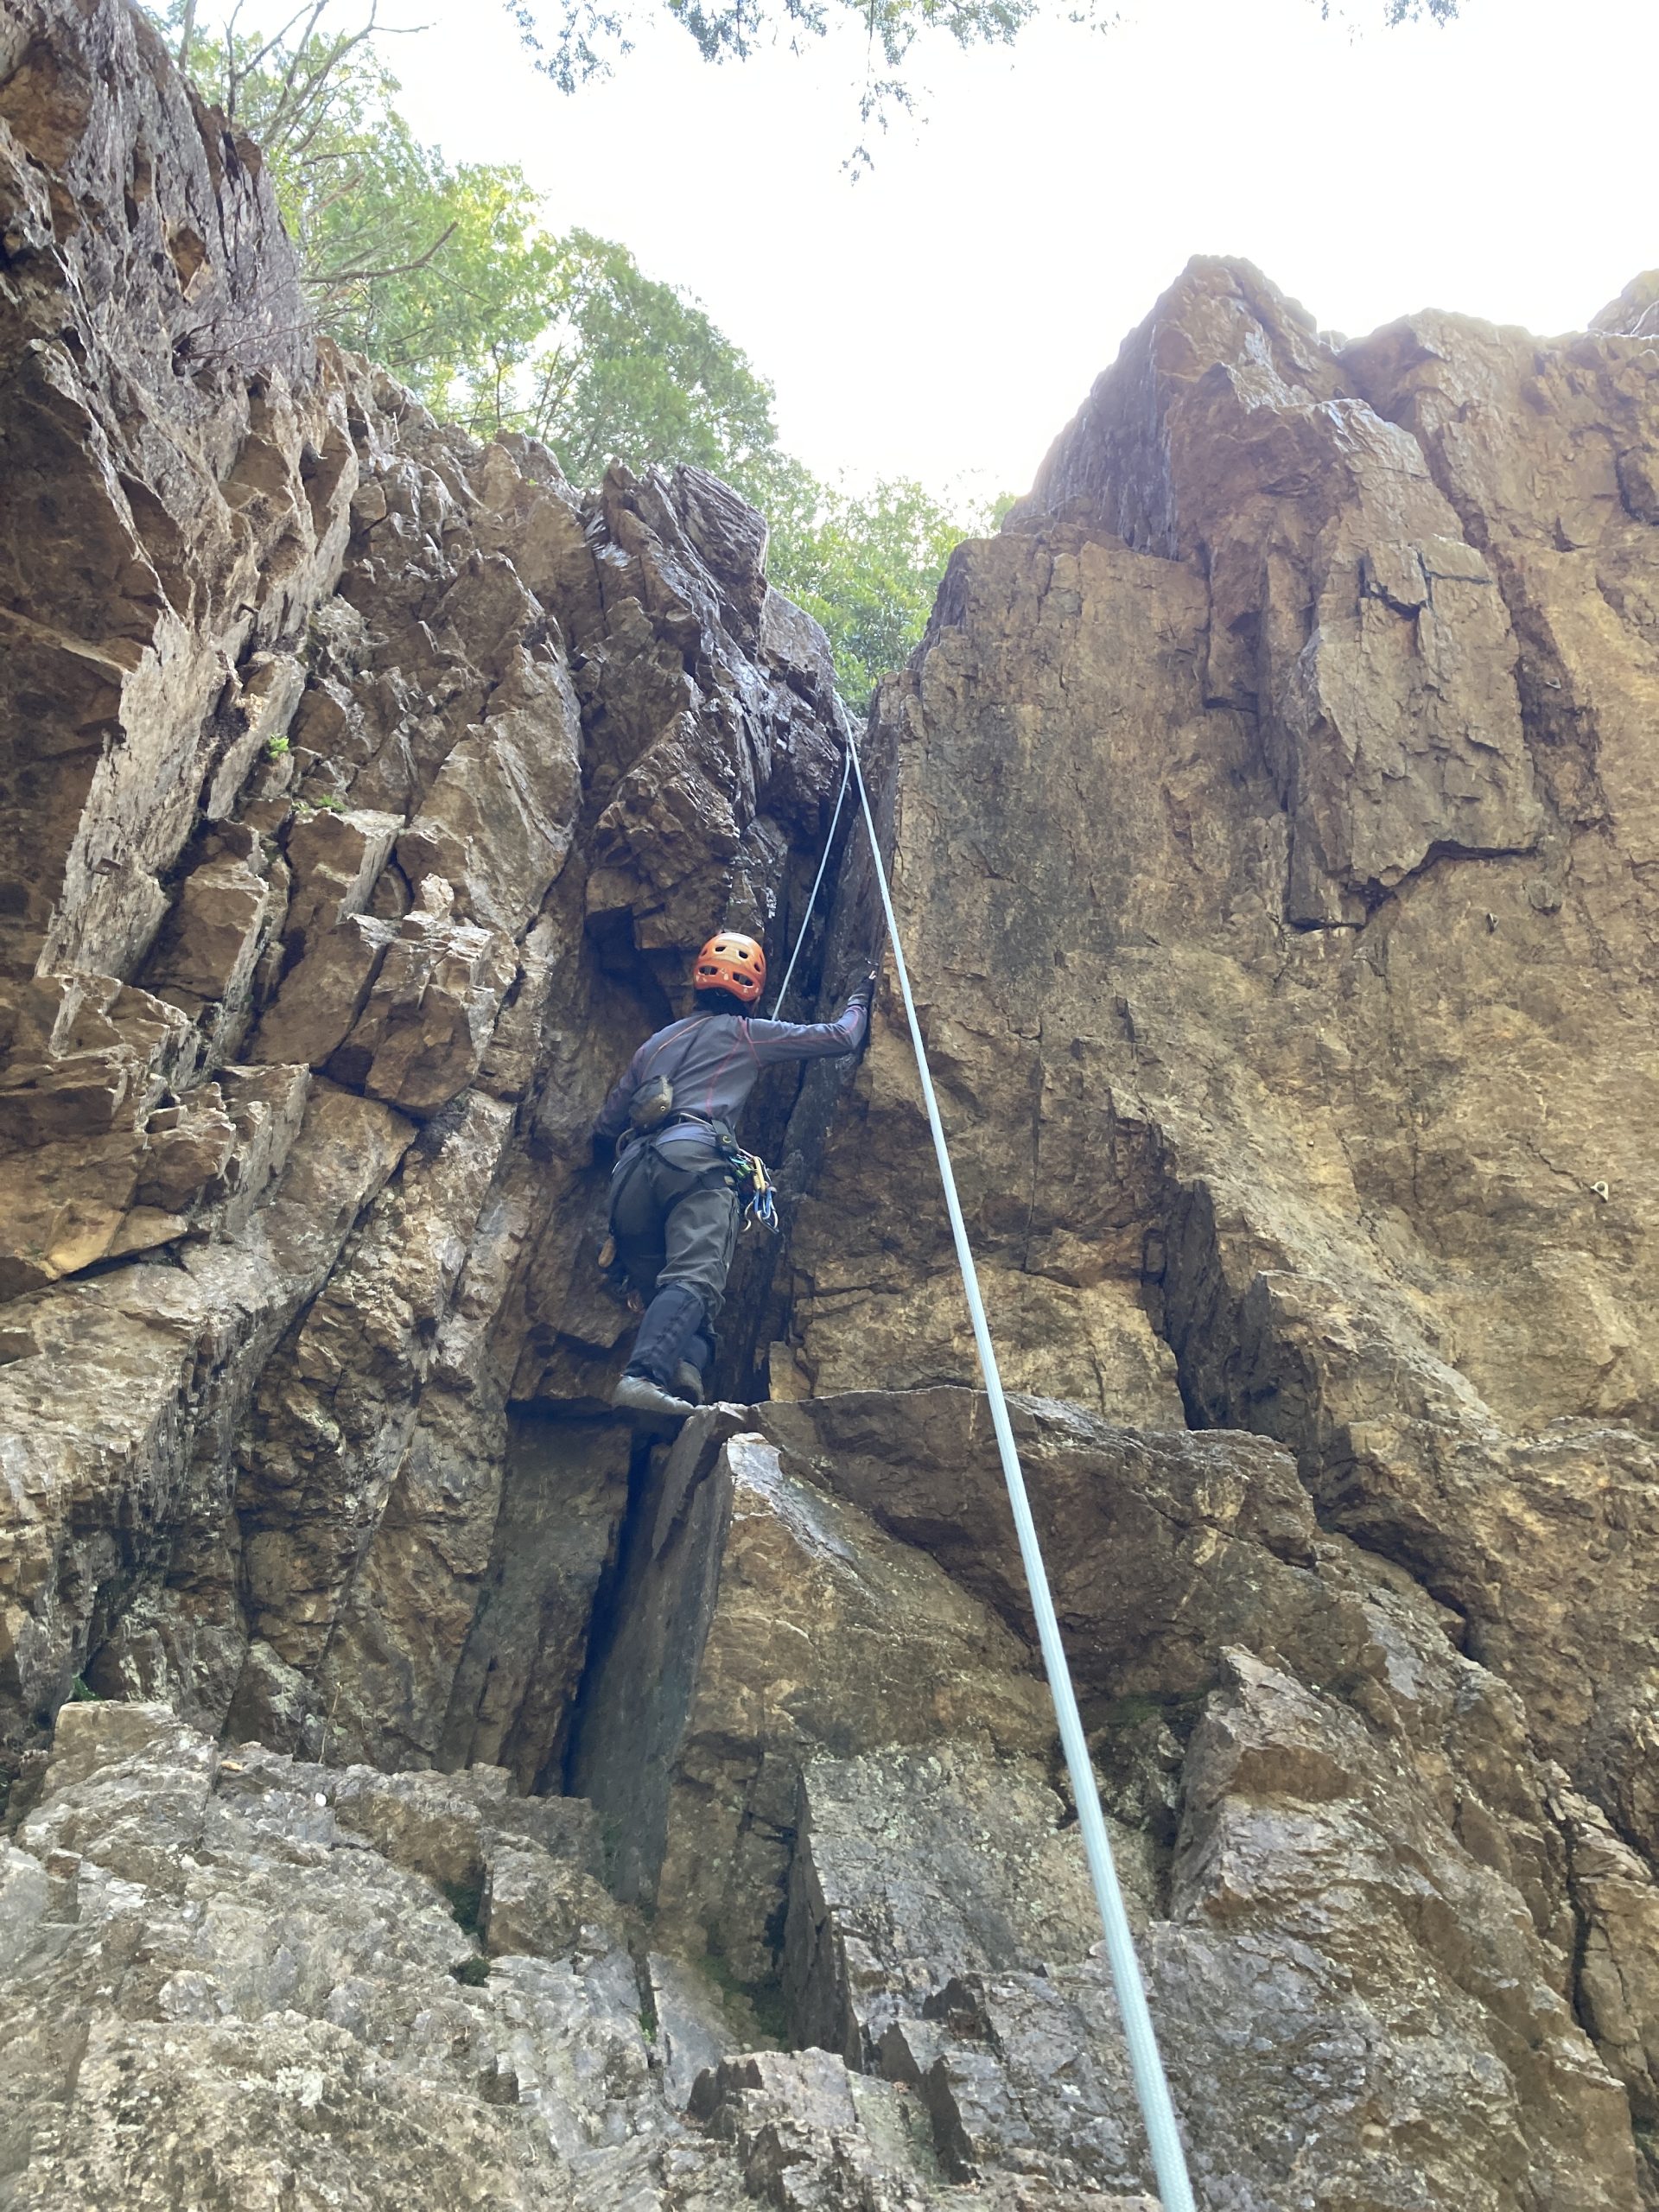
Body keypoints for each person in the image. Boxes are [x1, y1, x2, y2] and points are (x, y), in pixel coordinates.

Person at [594, 930, 874, 1420]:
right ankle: (644, 1377)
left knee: (682, 1302)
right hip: (695, 1166)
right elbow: (840, 1038)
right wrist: (860, 997)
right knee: (695, 1280)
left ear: (697, 982)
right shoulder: (744, 1033)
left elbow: (606, 1125)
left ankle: (683, 1384)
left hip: (629, 1181)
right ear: (752, 990)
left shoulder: (654, 1045)